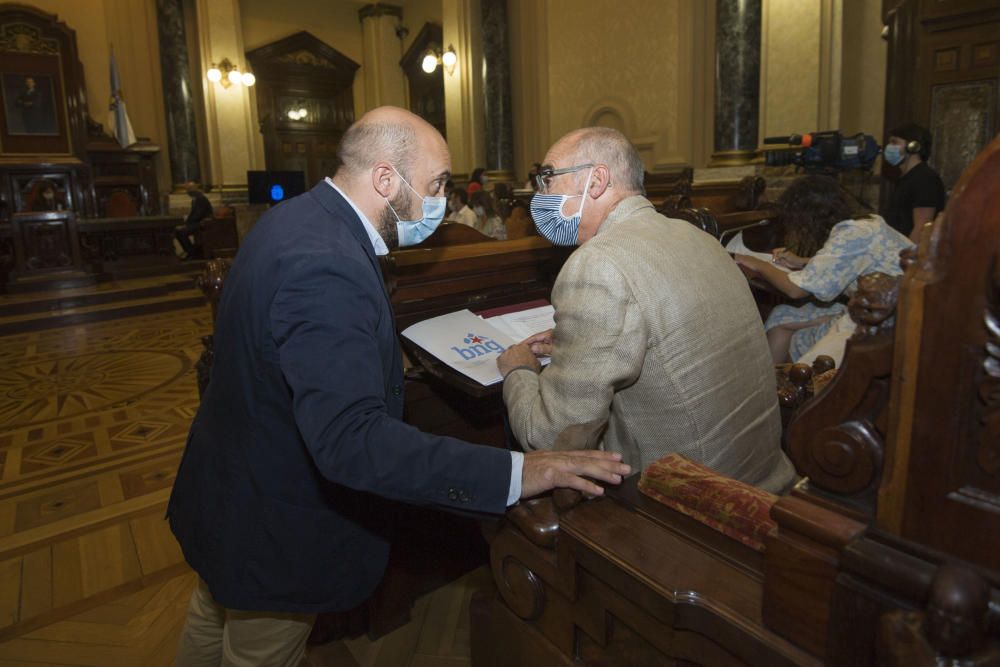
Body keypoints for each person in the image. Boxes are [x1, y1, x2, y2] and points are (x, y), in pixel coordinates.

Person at [167, 107, 628, 666]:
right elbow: (351, 439)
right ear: (386, 179)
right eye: (435, 185)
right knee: (257, 652)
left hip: (228, 487)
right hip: (273, 520)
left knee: (209, 624)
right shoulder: (327, 265)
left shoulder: (295, 219)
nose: (440, 201)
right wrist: (519, 472)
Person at [496, 127, 795, 493]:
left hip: (688, 502)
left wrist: (519, 373)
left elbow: (552, 439)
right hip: (761, 473)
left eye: (547, 178)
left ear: (597, 180)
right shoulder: (697, 236)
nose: (538, 194)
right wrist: (576, 345)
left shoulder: (597, 263)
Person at [733, 175, 913, 365]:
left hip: (884, 323)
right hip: (884, 310)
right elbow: (848, 262)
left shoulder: (851, 233)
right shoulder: (866, 222)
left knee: (797, 336)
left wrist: (754, 261)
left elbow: (795, 290)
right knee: (781, 314)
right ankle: (776, 385)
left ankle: (795, 384)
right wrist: (802, 262)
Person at [883, 123, 946, 241]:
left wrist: (909, 255)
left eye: (894, 142)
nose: (889, 147)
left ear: (913, 146)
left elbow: (922, 228)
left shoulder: (925, 179)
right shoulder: (906, 178)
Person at [174, 182, 213, 259]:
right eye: (187, 190)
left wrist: (186, 225)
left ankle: (192, 253)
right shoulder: (195, 199)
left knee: (181, 232)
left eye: (189, 189)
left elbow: (197, 215)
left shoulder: (201, 199)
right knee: (177, 231)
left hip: (202, 223)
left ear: (194, 189)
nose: (187, 192)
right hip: (197, 223)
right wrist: (185, 224)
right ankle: (191, 251)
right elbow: (193, 215)